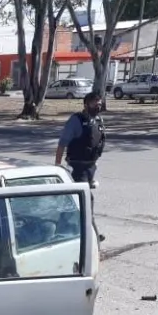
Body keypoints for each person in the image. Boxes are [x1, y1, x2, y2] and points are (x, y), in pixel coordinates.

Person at [55, 91, 106, 241]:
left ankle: (59, 230)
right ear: (86, 104)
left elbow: (96, 143)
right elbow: (62, 144)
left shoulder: (98, 120)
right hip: (77, 168)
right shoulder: (76, 120)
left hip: (90, 168)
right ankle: (92, 238)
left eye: (99, 102)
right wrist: (58, 166)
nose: (98, 105)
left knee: (72, 202)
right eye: (94, 102)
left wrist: (94, 161)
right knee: (86, 201)